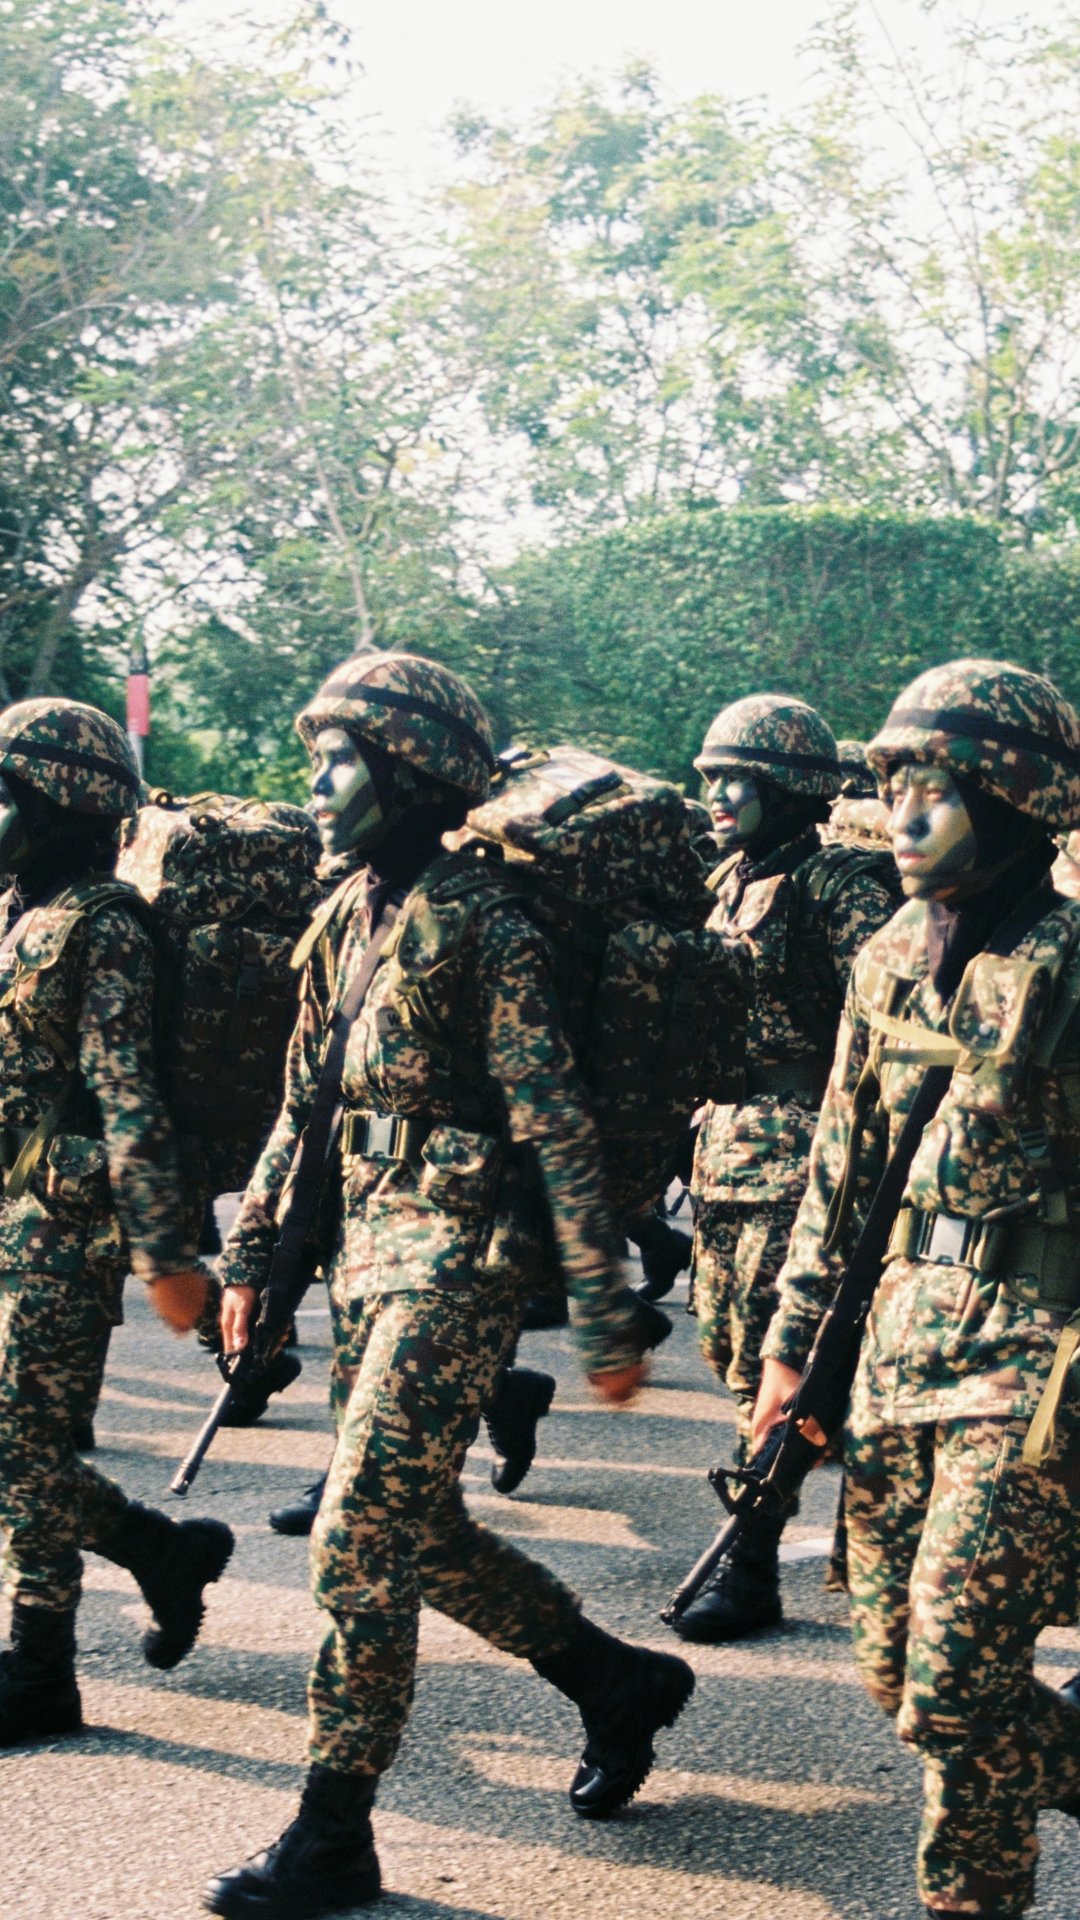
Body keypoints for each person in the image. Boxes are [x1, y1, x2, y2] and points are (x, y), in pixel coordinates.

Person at [203, 652, 694, 1920]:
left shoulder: (489, 922)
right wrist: (254, 1257)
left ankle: (332, 1834)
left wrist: (602, 1304)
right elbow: (306, 1103)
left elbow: (552, 1113)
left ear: (413, 775)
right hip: (369, 1246)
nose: (318, 785)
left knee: (360, 1532)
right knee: (418, 1529)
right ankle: (615, 1681)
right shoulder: (343, 917)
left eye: (341, 761)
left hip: (463, 1254)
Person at [753, 659, 1080, 1920]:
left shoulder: (1071, 960)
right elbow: (841, 1169)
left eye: (932, 791)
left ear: (1010, 800)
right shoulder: (889, 953)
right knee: (901, 1680)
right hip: (896, 1338)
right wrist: (791, 1349)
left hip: (1036, 1352)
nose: (901, 816)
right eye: (892, 789)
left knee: (957, 1686)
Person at [0, 699, 232, 1746]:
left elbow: (127, 1092)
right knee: (17, 1447)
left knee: (26, 1444)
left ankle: (42, 1668)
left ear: (62, 802)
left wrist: (163, 1250)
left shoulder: (107, 926)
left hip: (65, 1216)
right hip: (11, 1199)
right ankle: (160, 1551)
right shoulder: (19, 909)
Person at [672, 694, 897, 1643]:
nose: (718, 797)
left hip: (806, 1152)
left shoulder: (841, 887)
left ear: (791, 788)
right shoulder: (729, 881)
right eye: (712, 779)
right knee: (733, 1352)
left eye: (739, 780)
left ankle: (751, 1556)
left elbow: (887, 1022)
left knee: (784, 1355)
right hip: (726, 1145)